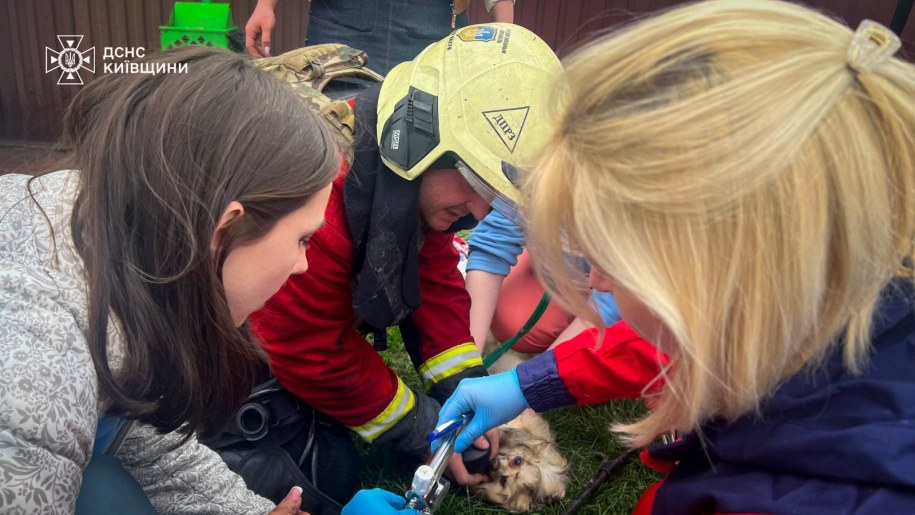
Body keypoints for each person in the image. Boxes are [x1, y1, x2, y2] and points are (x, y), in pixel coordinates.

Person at [437, 1, 915, 512]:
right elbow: (662, 346)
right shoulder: (820, 317)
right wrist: (529, 383)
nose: (596, 281)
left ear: (705, 273)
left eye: (611, 261)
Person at [0, 46, 343, 513]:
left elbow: (135, 432)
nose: (303, 264)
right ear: (225, 231)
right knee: (109, 496)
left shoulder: (107, 230)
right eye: (304, 239)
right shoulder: (39, 370)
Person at [247, 22, 563, 491]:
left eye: (496, 199)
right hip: (200, 319)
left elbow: (431, 279)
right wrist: (423, 431)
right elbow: (307, 348)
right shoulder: (318, 198)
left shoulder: (403, 170)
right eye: (478, 186)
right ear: (420, 138)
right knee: (316, 471)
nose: (478, 213)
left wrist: (464, 391)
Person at [466, 208, 621, 358]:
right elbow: (494, 240)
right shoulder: (535, 184)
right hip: (561, 273)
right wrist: (469, 356)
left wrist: (538, 374)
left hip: (623, 291)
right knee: (512, 322)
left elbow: (612, 303)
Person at [244, 0, 515, 74]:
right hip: (342, 19)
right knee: (332, 135)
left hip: (433, 25)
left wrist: (508, 35)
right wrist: (266, 4)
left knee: (421, 149)